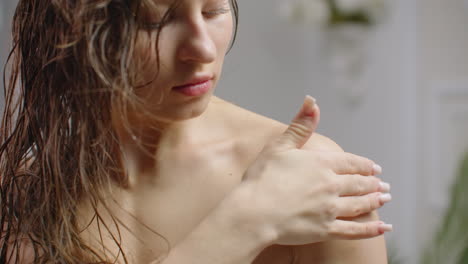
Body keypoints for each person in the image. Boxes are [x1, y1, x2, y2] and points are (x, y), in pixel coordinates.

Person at [0, 0, 392, 263]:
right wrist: (244, 222)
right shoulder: (24, 194)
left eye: (213, 10)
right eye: (156, 19)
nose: (202, 49)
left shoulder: (312, 177)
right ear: (72, 33)